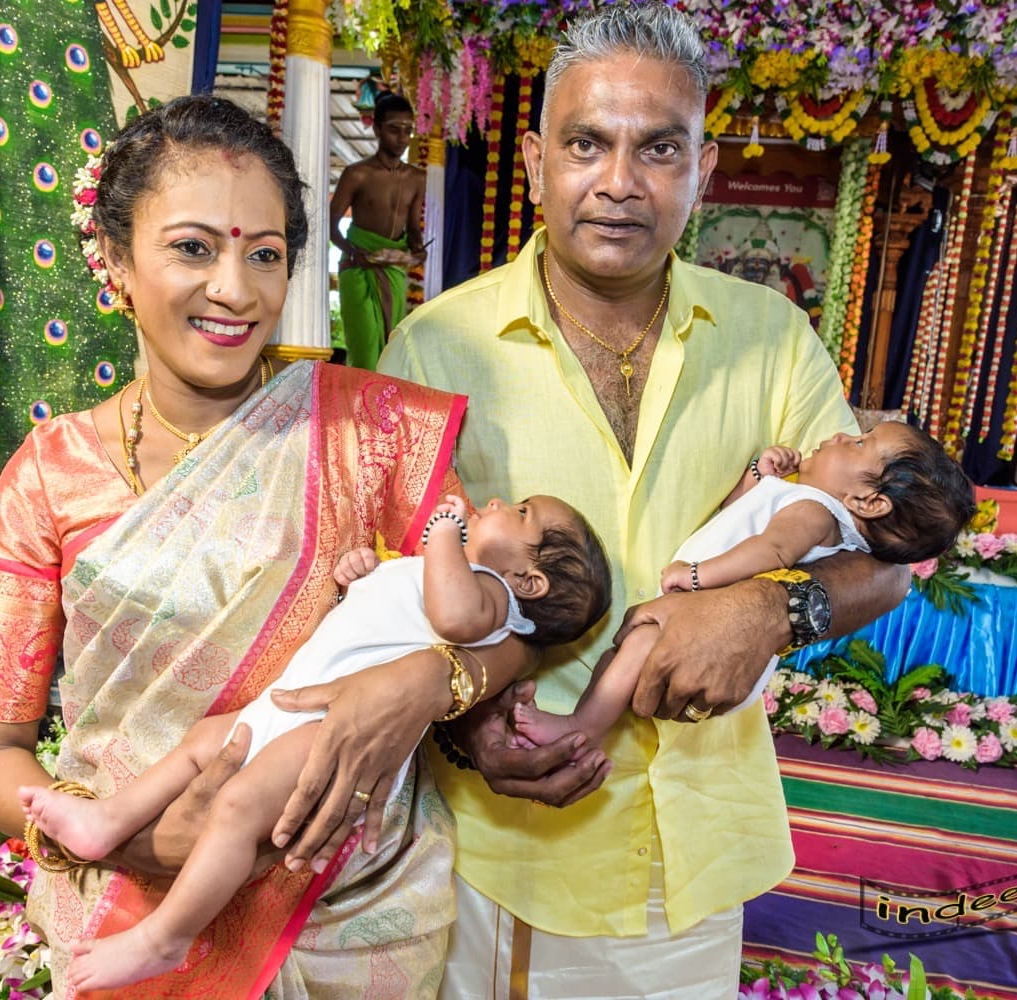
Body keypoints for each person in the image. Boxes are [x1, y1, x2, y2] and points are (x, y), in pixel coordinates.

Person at [377, 4, 913, 996]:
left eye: (659, 149)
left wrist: (770, 608)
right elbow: (387, 585)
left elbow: (887, 558)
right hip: (507, 851)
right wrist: (464, 727)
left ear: (702, 172)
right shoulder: (434, 349)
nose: (620, 182)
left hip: (696, 851)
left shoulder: (772, 336)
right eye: (588, 144)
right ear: (536, 159)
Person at [0, 94, 532, 1000]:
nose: (234, 288)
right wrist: (124, 836)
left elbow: (510, 627)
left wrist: (424, 682)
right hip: (123, 911)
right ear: (114, 258)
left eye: (264, 255)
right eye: (193, 247)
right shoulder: (50, 475)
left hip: (351, 910)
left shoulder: (371, 434)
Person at [20, 492, 611, 991]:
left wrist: (443, 532)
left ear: (529, 580)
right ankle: (109, 821)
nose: (500, 501)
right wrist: (363, 572)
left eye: (524, 511)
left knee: (238, 805)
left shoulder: (493, 600)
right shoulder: (458, 576)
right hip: (295, 700)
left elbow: (452, 619)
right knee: (203, 741)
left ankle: (164, 937)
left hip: (336, 730)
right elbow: (396, 605)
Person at [514, 426, 977, 751]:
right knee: (624, 658)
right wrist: (758, 478)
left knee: (632, 654)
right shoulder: (805, 501)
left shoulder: (815, 512)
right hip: (695, 616)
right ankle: (582, 723)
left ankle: (579, 728)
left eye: (858, 443)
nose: (839, 436)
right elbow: (737, 517)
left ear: (869, 502)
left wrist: (697, 576)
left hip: (702, 617)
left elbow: (770, 552)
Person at [331, 92, 427, 370]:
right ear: (376, 129)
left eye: (408, 130)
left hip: (394, 269)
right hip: (358, 268)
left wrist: (418, 249)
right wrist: (353, 252)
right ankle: (357, 411)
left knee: (391, 348)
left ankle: (381, 409)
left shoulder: (416, 178)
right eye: (394, 129)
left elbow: (412, 228)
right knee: (363, 347)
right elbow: (331, 224)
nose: (402, 138)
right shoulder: (357, 174)